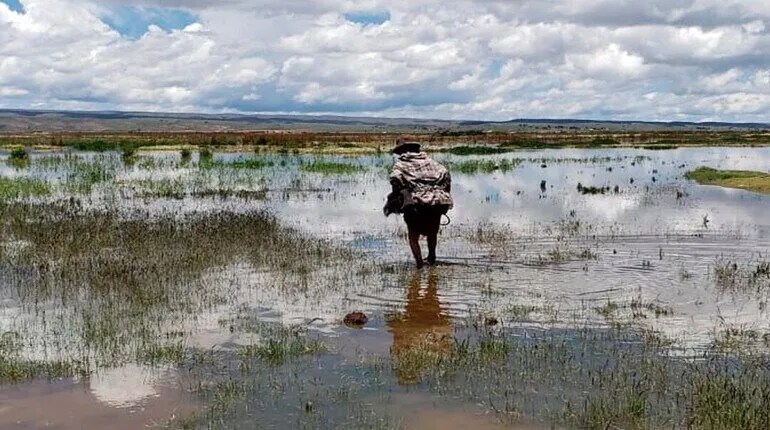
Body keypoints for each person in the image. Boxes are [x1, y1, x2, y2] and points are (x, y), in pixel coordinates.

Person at [384, 136, 453, 268]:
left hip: (416, 203)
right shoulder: (433, 162)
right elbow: (446, 176)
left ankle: (419, 265)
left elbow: (395, 179)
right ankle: (432, 258)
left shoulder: (400, 164)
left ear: (401, 151)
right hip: (436, 201)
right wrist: (442, 194)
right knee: (432, 233)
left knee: (413, 236)